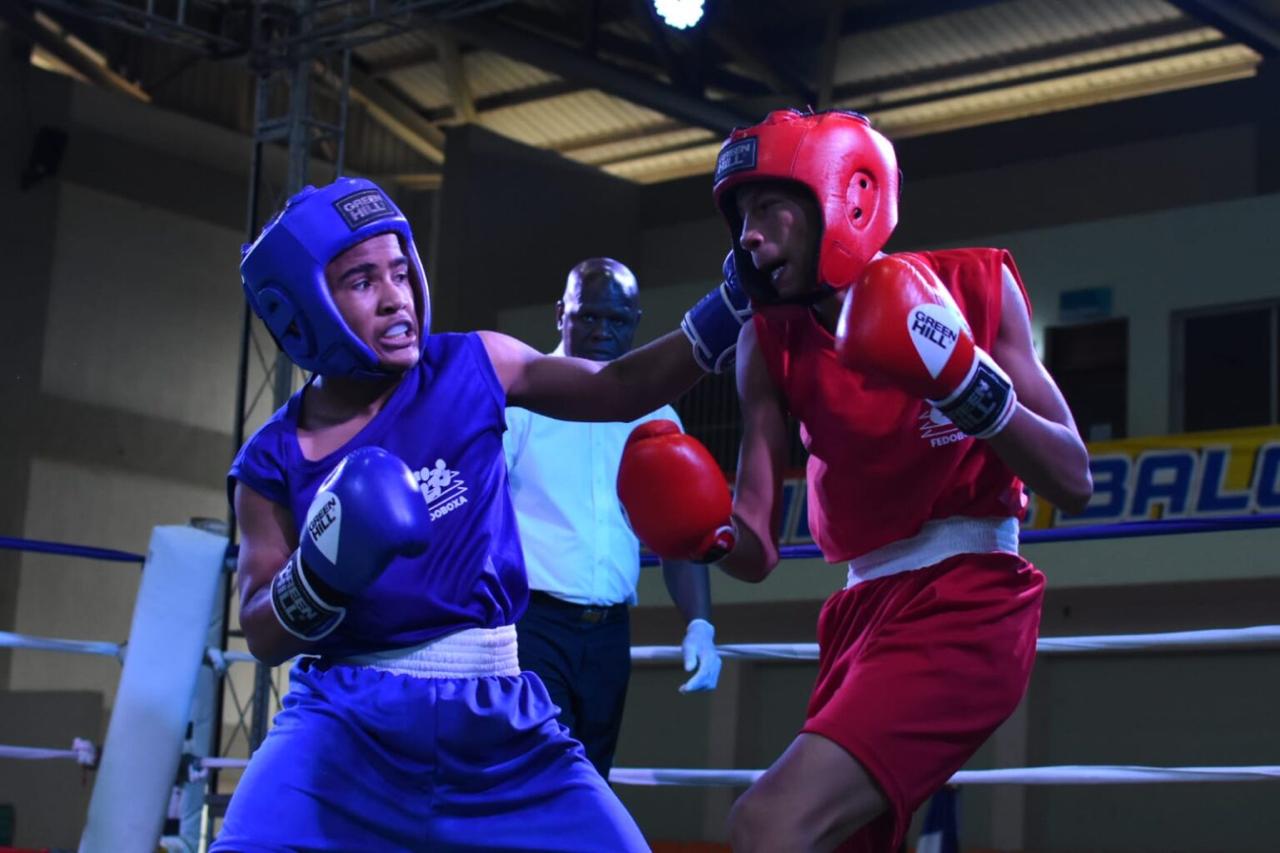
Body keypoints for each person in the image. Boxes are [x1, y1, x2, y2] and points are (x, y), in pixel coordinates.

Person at [618, 109, 1094, 852]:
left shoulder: (971, 286)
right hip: (857, 614)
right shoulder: (768, 342)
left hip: (969, 597)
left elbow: (1074, 478)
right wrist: (704, 536)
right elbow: (757, 548)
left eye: (769, 208)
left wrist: (964, 381)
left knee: (767, 825)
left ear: (845, 196)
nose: (749, 237)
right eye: (741, 218)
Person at [216, 177, 723, 851]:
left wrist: (734, 302)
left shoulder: (474, 363)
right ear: (304, 307)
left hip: (498, 719)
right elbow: (261, 632)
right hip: (342, 725)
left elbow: (620, 386)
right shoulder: (271, 459)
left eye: (400, 271)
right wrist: (319, 573)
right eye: (363, 281)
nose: (395, 296)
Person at [505, 257, 721, 779]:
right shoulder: (522, 401)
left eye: (617, 320)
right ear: (561, 314)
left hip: (608, 637)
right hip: (531, 626)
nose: (603, 331)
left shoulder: (657, 415)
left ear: (636, 322)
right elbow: (475, 517)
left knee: (592, 779)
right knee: (541, 775)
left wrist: (700, 623)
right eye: (590, 316)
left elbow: (679, 532)